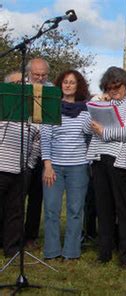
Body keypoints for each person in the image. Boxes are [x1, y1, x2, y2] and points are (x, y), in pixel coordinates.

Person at [84, 66, 126, 268]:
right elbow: (86, 128)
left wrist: (105, 132)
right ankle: (104, 253)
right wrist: (95, 106)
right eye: (110, 88)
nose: (114, 91)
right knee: (104, 208)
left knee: (125, 209)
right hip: (100, 158)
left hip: (123, 161)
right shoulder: (102, 102)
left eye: (117, 87)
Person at [41, 70, 91, 260]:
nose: (68, 85)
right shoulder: (51, 108)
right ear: (60, 85)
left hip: (78, 167)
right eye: (65, 82)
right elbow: (46, 138)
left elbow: (88, 134)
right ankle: (52, 251)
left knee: (75, 210)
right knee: (51, 209)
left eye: (72, 82)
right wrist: (47, 165)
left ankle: (71, 251)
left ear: (78, 86)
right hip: (53, 167)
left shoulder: (86, 109)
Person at [0, 71, 40, 257]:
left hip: (21, 169)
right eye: (15, 84)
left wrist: (29, 165)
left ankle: (12, 248)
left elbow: (37, 139)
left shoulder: (31, 110)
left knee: (15, 210)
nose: (20, 87)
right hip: (1, 166)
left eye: (22, 83)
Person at [24, 57, 52, 249]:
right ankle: (10, 234)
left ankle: (30, 235)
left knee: (36, 195)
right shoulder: (20, 88)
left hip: (43, 150)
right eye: (36, 75)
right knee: (16, 196)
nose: (40, 78)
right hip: (22, 148)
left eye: (43, 75)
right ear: (29, 74)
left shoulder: (52, 91)